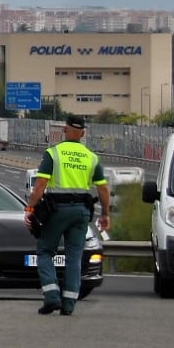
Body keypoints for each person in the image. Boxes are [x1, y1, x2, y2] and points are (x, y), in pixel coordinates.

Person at [25, 114, 110, 316]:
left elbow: (40, 185)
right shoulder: (91, 157)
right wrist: (105, 213)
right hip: (81, 211)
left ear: (64, 130)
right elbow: (103, 189)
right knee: (74, 258)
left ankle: (52, 296)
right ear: (82, 133)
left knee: (46, 251)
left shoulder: (53, 153)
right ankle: (69, 304)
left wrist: (30, 208)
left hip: (56, 210)